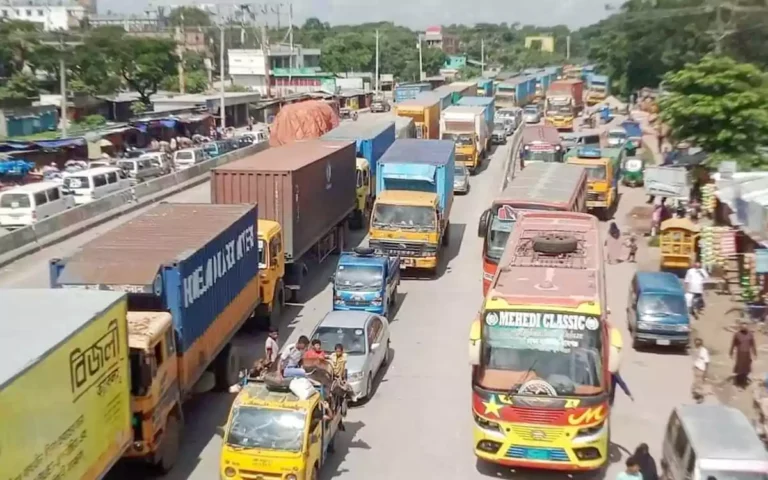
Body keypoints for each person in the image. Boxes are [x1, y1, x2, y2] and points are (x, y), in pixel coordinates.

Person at [730, 322, 757, 389]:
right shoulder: (737, 334)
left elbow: (753, 344)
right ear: (740, 327)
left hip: (747, 354)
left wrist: (755, 353)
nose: (744, 328)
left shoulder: (750, 335)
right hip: (740, 354)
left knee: (746, 368)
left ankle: (744, 383)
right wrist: (731, 352)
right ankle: (738, 382)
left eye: (745, 327)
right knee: (739, 368)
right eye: (742, 327)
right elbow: (733, 344)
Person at [692, 337, 710, 402]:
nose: (697, 345)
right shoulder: (696, 350)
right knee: (696, 382)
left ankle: (700, 398)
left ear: (701, 344)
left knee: (699, 384)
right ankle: (696, 394)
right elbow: (696, 359)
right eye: (696, 343)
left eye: (698, 344)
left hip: (701, 369)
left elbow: (707, 362)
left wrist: (706, 372)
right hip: (696, 368)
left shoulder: (704, 351)